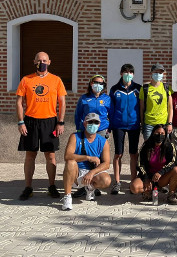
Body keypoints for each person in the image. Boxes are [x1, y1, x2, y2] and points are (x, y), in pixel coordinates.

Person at [16, 51, 67, 201]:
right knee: (30, 155)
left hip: (50, 121)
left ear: (49, 62)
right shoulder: (26, 80)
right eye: (39, 60)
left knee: (50, 155)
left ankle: (51, 186)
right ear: (34, 62)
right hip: (31, 120)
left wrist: (61, 122)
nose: (42, 63)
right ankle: (28, 187)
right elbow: (19, 102)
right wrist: (21, 122)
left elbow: (62, 102)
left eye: (44, 60)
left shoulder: (56, 80)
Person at [61, 113, 112, 211]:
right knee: (70, 163)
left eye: (96, 122)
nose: (93, 124)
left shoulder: (103, 141)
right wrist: (88, 158)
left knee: (106, 180)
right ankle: (67, 197)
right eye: (90, 122)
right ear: (84, 124)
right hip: (77, 172)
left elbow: (106, 163)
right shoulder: (75, 136)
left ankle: (90, 188)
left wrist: (92, 172)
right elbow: (67, 156)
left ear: (99, 125)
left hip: (91, 173)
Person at [108, 63, 141, 194]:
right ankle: (117, 182)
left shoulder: (138, 88)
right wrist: (110, 125)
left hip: (134, 125)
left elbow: (142, 107)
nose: (128, 75)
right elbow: (111, 109)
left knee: (133, 154)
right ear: (121, 73)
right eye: (126, 72)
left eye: (131, 73)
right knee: (118, 154)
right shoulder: (114, 89)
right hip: (118, 125)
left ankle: (133, 181)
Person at [134, 125, 177, 205]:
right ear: (153, 133)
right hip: (148, 175)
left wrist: (161, 172)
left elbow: (172, 162)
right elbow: (140, 164)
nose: (159, 135)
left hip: (161, 176)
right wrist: (146, 178)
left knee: (176, 170)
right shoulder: (146, 145)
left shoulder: (169, 146)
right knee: (134, 187)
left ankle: (171, 195)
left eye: (162, 133)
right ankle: (148, 190)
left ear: (165, 134)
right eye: (157, 133)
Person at [139, 63, 173, 141]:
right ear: (151, 73)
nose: (158, 74)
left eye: (160, 73)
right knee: (149, 149)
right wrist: (142, 124)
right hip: (149, 124)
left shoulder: (167, 88)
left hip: (163, 124)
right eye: (156, 72)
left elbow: (170, 107)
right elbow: (141, 108)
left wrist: (170, 123)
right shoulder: (144, 88)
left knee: (163, 149)